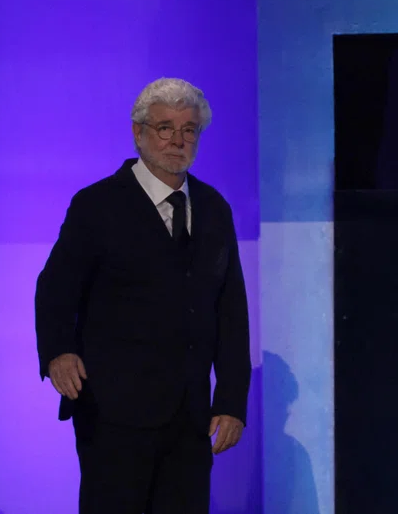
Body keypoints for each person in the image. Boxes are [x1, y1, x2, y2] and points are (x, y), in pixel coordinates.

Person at [34, 78, 251, 513]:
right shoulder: (97, 205)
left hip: (190, 415)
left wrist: (230, 402)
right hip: (113, 412)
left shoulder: (213, 208)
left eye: (189, 129)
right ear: (139, 133)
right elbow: (56, 286)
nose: (178, 140)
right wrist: (59, 351)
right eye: (165, 127)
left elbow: (230, 311)